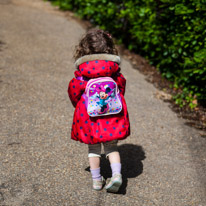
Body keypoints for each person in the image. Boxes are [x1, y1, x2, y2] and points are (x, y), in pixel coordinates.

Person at [68, 29, 130, 193]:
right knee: (112, 148)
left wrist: (79, 105)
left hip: (89, 116)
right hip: (113, 115)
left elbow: (74, 91)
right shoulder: (114, 71)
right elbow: (121, 88)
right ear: (110, 49)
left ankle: (96, 181)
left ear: (83, 50)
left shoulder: (82, 73)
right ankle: (116, 175)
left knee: (94, 149)